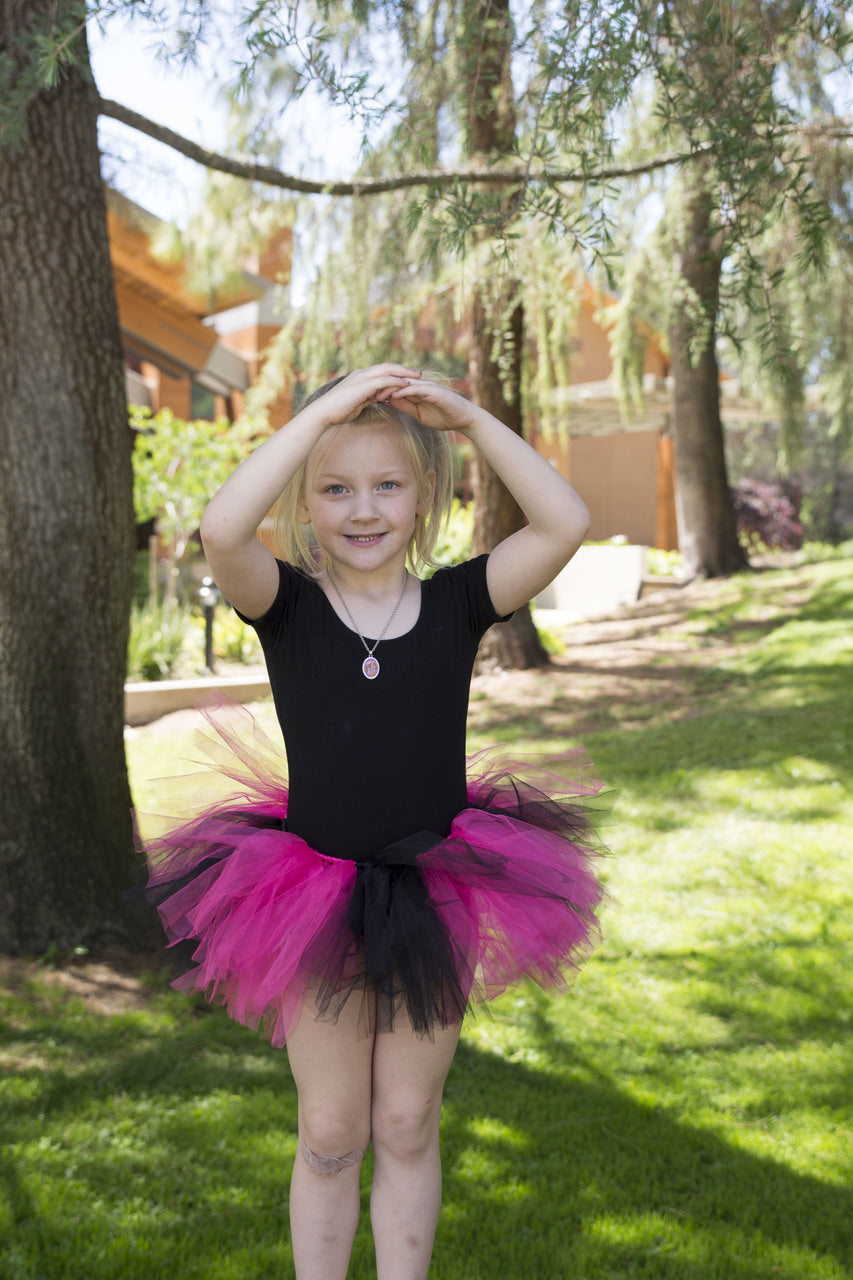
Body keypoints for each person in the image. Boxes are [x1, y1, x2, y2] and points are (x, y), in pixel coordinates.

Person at [140, 364, 606, 1280]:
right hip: (307, 894)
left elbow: (565, 521)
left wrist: (468, 416)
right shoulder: (286, 607)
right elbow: (222, 526)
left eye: (387, 485)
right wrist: (316, 415)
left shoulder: (459, 603)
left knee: (404, 1118)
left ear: (423, 496)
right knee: (332, 1125)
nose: (363, 510)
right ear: (306, 506)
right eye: (336, 487)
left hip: (435, 892)